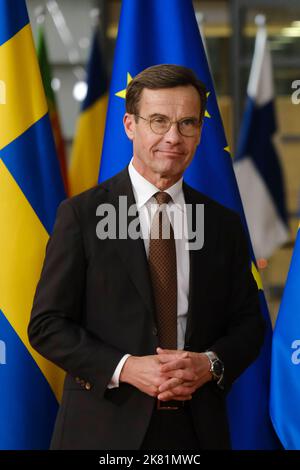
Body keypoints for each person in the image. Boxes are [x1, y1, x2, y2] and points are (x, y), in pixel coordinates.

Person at [28, 64, 265, 450]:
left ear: (200, 132)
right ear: (129, 125)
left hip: (197, 431)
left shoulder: (221, 223)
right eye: (158, 121)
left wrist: (209, 364)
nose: (174, 137)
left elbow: (248, 323)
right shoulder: (82, 215)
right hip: (104, 428)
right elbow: (48, 325)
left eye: (187, 123)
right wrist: (125, 367)